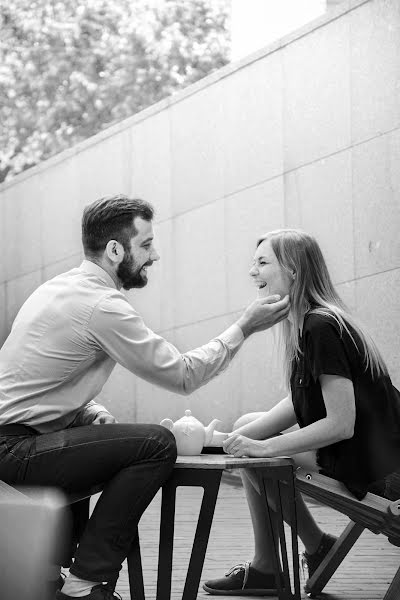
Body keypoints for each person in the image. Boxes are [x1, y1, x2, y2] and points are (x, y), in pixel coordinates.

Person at [0, 194, 290, 600]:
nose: (154, 255)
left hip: (14, 443)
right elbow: (183, 374)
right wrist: (244, 326)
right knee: (156, 444)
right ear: (115, 249)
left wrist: (92, 411)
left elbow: (40, 381)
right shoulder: (102, 304)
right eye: (146, 244)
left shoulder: (58, 289)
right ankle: (86, 584)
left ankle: (54, 576)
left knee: (99, 440)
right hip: (13, 451)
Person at [203, 228, 400, 597]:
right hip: (374, 458)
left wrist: (264, 449)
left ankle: (295, 556)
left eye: (262, 262)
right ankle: (278, 561)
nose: (252, 272)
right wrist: (223, 440)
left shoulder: (320, 327)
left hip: (388, 475)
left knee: (260, 456)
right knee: (249, 430)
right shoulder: (310, 323)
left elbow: (341, 424)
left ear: (293, 270)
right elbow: (300, 404)